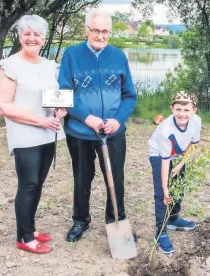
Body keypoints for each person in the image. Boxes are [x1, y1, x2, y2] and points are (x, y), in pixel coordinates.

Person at [58, 9, 137, 242]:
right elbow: (64, 93)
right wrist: (86, 117)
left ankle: (116, 219)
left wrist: (118, 120)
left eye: (105, 31)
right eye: (96, 31)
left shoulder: (118, 56)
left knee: (116, 177)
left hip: (112, 132)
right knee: (82, 177)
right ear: (86, 30)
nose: (101, 36)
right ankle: (80, 220)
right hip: (80, 132)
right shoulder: (71, 55)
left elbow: (129, 95)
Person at [0, 15, 67, 254]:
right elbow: (1, 105)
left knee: (38, 184)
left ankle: (30, 227)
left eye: (37, 34)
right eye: (27, 33)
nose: (32, 38)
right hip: (26, 134)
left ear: (44, 38)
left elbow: (56, 97)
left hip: (49, 133)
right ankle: (23, 237)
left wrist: (60, 109)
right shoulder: (9, 66)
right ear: (20, 37)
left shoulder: (49, 66)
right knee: (29, 184)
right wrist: (40, 120)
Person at [148, 91, 201, 254]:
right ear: (172, 109)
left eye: (186, 110)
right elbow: (165, 162)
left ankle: (173, 219)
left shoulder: (196, 122)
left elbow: (192, 146)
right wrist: (164, 188)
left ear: (194, 110)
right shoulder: (165, 130)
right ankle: (161, 231)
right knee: (162, 194)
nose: (182, 114)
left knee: (179, 185)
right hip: (159, 155)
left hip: (180, 154)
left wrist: (180, 164)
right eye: (178, 109)